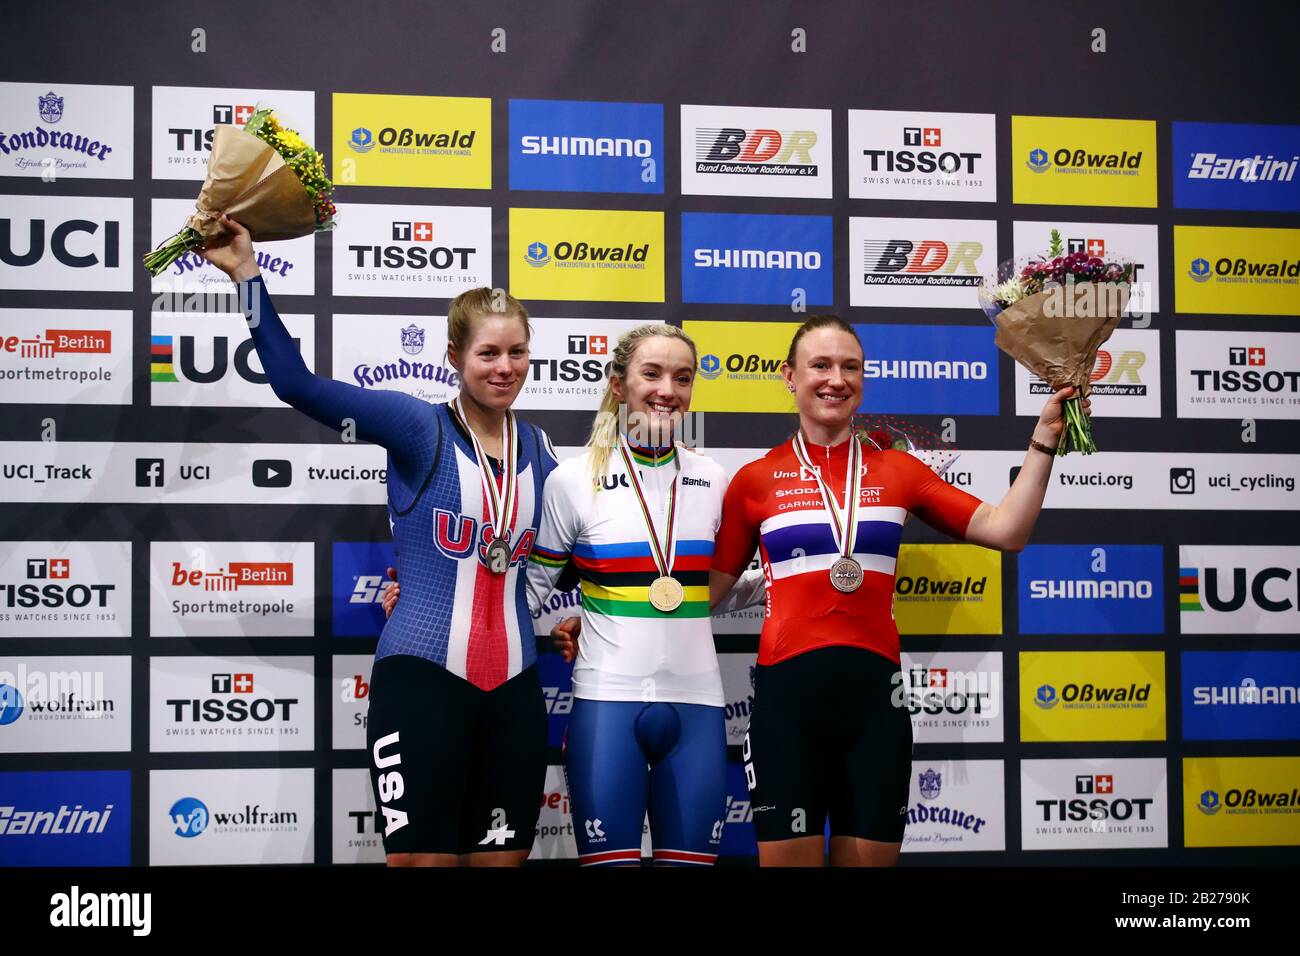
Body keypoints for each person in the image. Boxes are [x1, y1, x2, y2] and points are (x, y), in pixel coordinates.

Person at [201, 215, 555, 867]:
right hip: (423, 679)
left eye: (517, 353)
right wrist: (247, 275)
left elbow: (568, 556)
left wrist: (569, 621)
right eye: (488, 353)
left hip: (516, 690)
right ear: (454, 358)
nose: (505, 369)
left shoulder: (540, 449)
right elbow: (298, 387)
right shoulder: (420, 428)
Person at [709, 314, 1085, 867]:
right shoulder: (755, 480)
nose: (836, 378)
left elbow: (1008, 531)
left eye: (850, 366)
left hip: (876, 708)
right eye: (820, 365)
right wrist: (603, 603)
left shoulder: (899, 470)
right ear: (789, 377)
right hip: (786, 708)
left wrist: (1044, 441)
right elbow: (705, 594)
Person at [385, 324, 763, 866]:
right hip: (606, 701)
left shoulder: (713, 477)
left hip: (698, 703)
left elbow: (705, 593)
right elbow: (527, 589)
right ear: (617, 384)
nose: (668, 390)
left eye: (683, 378)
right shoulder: (571, 478)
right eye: (651, 374)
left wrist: (787, 584)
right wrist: (435, 596)